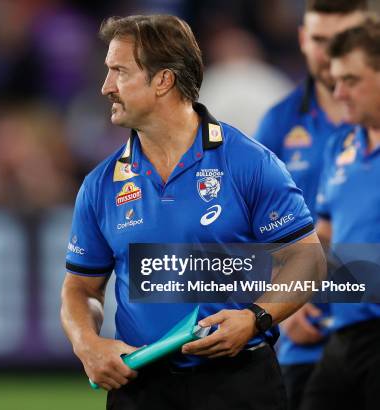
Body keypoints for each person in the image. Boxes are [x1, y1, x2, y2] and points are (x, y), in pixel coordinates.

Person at [60, 15, 324, 410]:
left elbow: (308, 260)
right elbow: (81, 288)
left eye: (119, 71)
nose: (106, 87)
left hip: (238, 384)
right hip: (141, 388)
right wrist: (89, 345)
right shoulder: (100, 185)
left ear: (163, 80)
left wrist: (255, 318)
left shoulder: (249, 163)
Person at [253, 1, 368, 408]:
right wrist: (283, 303)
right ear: (303, 40)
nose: (330, 54)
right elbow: (255, 229)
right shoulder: (279, 124)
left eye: (343, 40)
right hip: (304, 345)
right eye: (320, 40)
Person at [300, 20, 380, 410]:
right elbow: (323, 240)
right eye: (334, 80)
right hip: (344, 334)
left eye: (351, 80)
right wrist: (293, 305)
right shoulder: (340, 147)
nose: (338, 93)